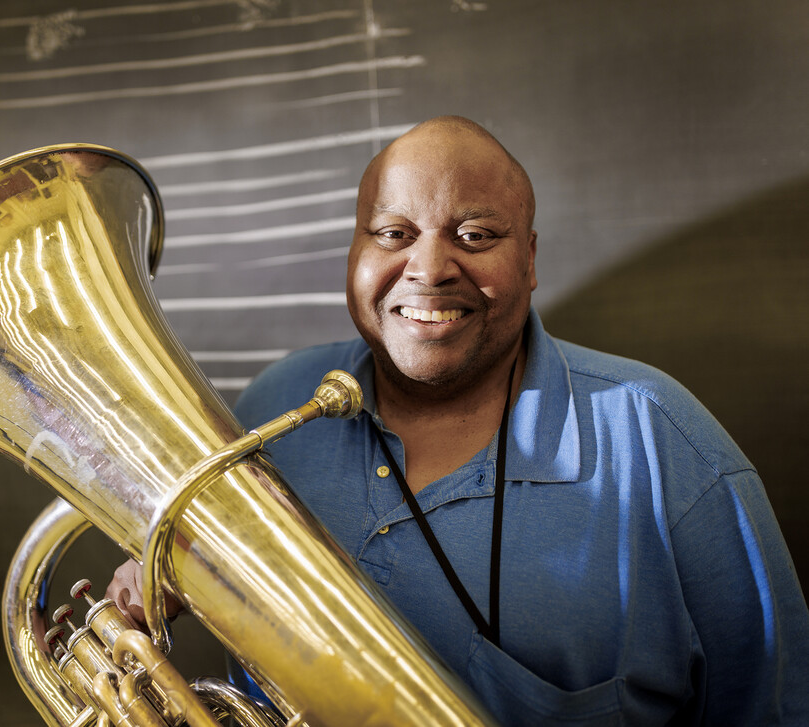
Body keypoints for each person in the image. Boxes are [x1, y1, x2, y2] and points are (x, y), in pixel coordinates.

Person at [108, 116, 809, 725]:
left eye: (474, 235)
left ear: (529, 259)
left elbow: (776, 710)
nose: (430, 268)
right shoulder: (271, 409)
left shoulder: (664, 443)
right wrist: (163, 586)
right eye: (393, 232)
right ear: (355, 251)